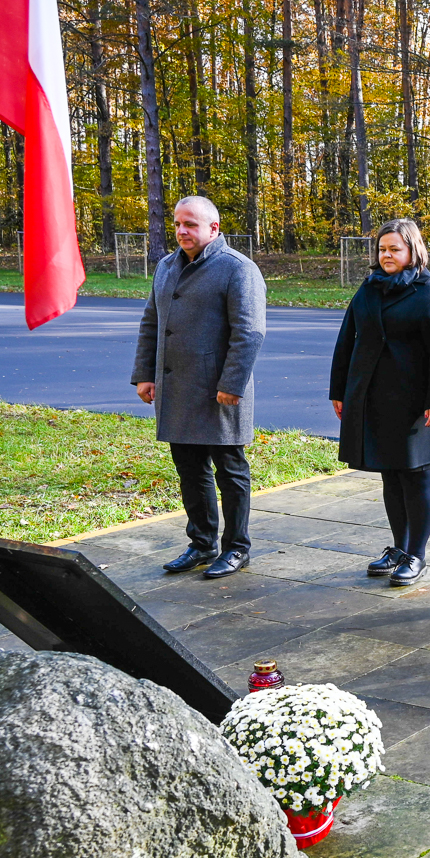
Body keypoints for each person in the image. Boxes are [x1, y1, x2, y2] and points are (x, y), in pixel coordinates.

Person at [132, 195, 267, 580]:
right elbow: (151, 323)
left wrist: (232, 383)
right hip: (176, 388)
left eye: (190, 224)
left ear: (213, 228)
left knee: (230, 471)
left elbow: (249, 332)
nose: (181, 231)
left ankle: (237, 547)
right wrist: (144, 373)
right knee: (190, 470)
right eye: (177, 223)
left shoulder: (238, 269)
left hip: (220, 391)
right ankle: (202, 542)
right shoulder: (165, 266)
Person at [328, 218, 430, 585]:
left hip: (415, 402)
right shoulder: (369, 287)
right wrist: (339, 390)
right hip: (372, 395)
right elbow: (347, 339)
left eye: (394, 249)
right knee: (390, 473)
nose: (386, 255)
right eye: (382, 249)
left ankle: (417, 554)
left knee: (415, 474)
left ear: (413, 251)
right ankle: (399, 548)